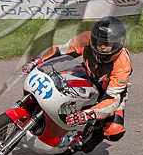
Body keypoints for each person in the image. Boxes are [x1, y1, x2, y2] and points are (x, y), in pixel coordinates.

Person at [21, 16, 130, 145]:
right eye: (98, 41)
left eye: (106, 44)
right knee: (54, 83)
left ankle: (88, 139)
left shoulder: (123, 65)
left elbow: (112, 100)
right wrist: (37, 60)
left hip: (110, 91)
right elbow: (60, 50)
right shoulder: (86, 39)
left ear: (117, 44)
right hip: (87, 74)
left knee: (114, 131)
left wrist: (88, 115)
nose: (101, 46)